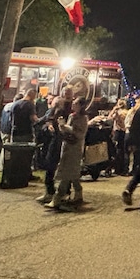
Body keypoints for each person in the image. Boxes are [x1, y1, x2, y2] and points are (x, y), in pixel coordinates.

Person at [48, 83, 90, 211]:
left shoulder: (83, 118)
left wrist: (65, 127)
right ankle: (78, 193)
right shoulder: (72, 116)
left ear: (81, 106)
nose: (73, 104)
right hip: (67, 145)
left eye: (76, 103)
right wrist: (61, 127)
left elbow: (79, 133)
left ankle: (57, 198)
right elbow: (66, 131)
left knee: (67, 172)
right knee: (73, 173)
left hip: (75, 148)